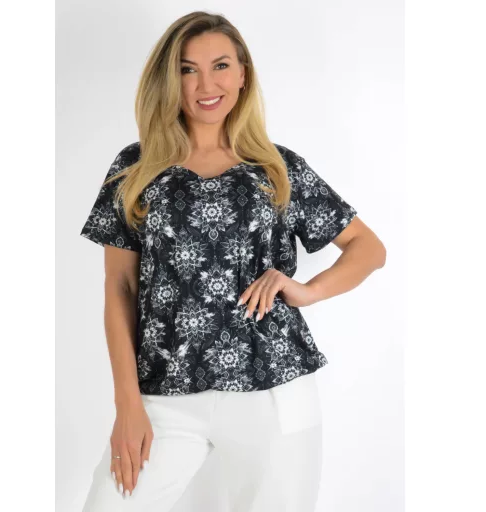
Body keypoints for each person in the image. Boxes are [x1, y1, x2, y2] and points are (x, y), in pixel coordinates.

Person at [79, 10, 386, 512]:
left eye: (220, 66)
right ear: (169, 78)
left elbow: (369, 248)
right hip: (164, 393)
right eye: (187, 69)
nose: (206, 85)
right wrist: (127, 403)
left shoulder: (276, 167)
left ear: (243, 74)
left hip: (274, 389)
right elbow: (121, 288)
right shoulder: (135, 167)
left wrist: (306, 290)